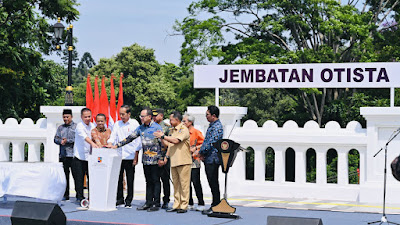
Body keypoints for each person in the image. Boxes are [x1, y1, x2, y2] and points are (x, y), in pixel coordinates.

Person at [107, 107, 163, 212]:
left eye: (143, 116)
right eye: (140, 116)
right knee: (148, 181)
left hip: (156, 159)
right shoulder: (140, 128)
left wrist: (162, 158)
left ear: (149, 117)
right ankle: (148, 202)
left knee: (156, 181)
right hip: (146, 159)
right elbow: (130, 138)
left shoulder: (157, 127)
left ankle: (156, 203)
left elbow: (162, 145)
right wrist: (117, 145)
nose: (141, 118)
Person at [154, 111, 192, 213]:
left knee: (184, 184)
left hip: (183, 161)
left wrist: (163, 136)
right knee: (176, 184)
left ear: (177, 119)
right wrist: (161, 139)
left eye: (171, 119)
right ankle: (176, 204)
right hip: (174, 160)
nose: (170, 121)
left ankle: (184, 205)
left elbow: (176, 141)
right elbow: (169, 145)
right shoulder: (172, 130)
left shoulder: (183, 129)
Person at [107, 105, 142, 209]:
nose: (121, 116)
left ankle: (129, 200)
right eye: (120, 114)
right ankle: (119, 199)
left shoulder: (134, 123)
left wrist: (136, 156)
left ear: (129, 114)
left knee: (130, 179)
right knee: (118, 178)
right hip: (118, 155)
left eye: (123, 114)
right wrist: (109, 144)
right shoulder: (117, 124)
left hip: (130, 155)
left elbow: (138, 141)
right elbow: (113, 136)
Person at [199, 105, 223, 215]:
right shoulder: (212, 125)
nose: (206, 117)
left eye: (207, 115)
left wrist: (201, 152)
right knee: (212, 182)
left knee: (213, 182)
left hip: (213, 158)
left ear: (213, 115)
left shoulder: (217, 127)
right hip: (209, 158)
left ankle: (216, 205)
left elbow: (211, 142)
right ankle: (215, 204)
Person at [72, 108, 99, 202]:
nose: (87, 118)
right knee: (79, 179)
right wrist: (92, 143)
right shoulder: (79, 126)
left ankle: (92, 197)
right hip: (79, 156)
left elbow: (96, 136)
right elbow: (85, 137)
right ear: (81, 117)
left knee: (91, 179)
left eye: (89, 116)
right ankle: (80, 197)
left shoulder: (93, 125)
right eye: (85, 117)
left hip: (90, 157)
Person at [182, 114, 205, 211]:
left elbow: (204, 143)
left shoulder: (196, 132)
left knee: (195, 181)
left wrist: (196, 148)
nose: (183, 123)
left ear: (190, 122)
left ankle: (201, 202)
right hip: (184, 159)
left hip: (194, 160)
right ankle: (190, 202)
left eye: (185, 121)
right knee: (186, 182)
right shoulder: (182, 132)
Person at [54, 109, 77, 201]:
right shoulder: (60, 128)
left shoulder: (76, 127)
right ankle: (65, 194)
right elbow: (55, 139)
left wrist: (67, 140)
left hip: (73, 155)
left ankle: (79, 195)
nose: (66, 119)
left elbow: (77, 139)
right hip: (63, 155)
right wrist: (60, 141)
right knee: (64, 177)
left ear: (71, 117)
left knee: (76, 176)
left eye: (67, 117)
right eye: (64, 117)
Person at [152, 108, 171, 209]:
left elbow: (170, 144)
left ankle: (166, 200)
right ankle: (156, 200)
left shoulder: (167, 127)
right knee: (155, 179)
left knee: (165, 180)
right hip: (154, 156)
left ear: (161, 116)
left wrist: (165, 158)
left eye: (156, 115)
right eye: (153, 115)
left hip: (164, 156)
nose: (154, 117)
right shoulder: (151, 126)